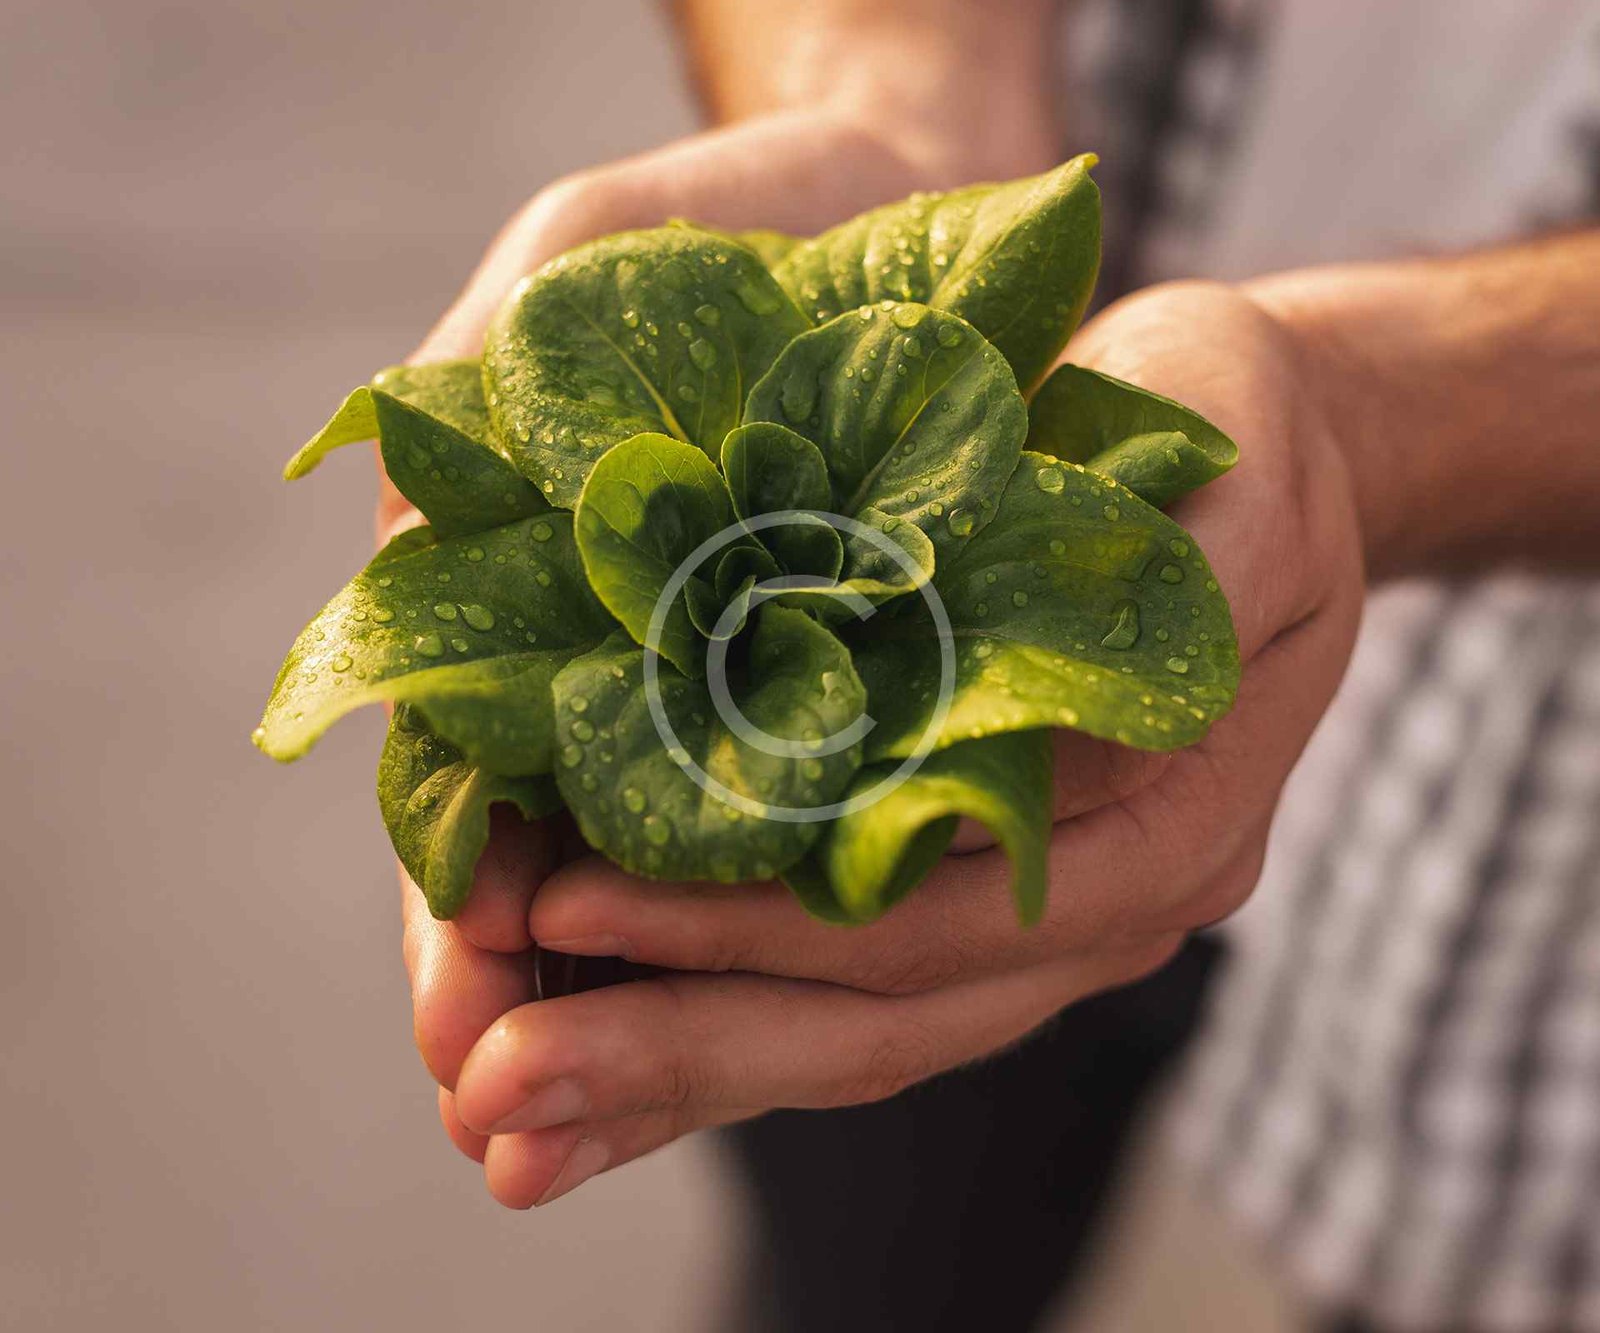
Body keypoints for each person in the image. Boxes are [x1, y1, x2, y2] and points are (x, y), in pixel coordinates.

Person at [387, 2, 1600, 1328]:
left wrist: (1380, 404)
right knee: (868, 1253)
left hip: (1524, 863)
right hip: (973, 744)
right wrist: (888, 89)